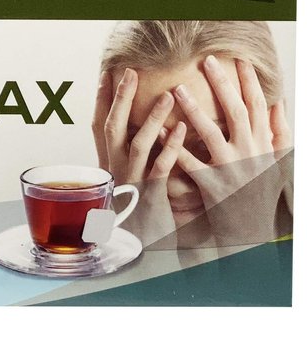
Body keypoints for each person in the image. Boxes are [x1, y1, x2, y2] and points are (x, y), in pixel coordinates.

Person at [92, 20, 293, 250]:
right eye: (145, 144)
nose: (174, 185)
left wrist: (249, 236)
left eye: (209, 144)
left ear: (274, 125)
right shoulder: (85, 220)